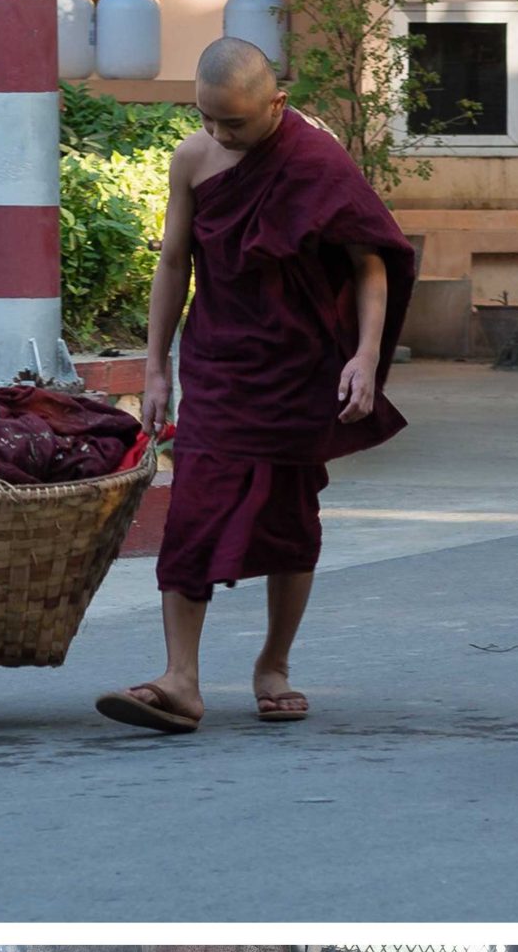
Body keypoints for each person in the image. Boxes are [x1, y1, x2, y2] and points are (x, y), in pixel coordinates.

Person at [98, 38, 416, 734]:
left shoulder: (317, 161)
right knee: (192, 517)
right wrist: (156, 366)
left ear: (276, 104)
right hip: (219, 362)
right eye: (208, 119)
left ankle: (273, 666)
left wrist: (364, 356)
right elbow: (174, 261)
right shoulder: (193, 159)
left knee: (291, 519)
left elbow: (371, 264)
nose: (220, 134)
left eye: (235, 124)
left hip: (300, 367)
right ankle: (181, 679)